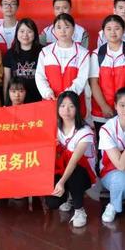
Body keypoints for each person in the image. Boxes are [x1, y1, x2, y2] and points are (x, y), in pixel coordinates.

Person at [46, 91, 96, 228]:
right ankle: (68, 196)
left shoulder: (85, 131)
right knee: (52, 202)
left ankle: (79, 209)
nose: (66, 110)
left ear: (77, 109)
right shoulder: (54, 127)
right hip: (61, 169)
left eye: (71, 106)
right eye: (62, 106)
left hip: (82, 173)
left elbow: (74, 162)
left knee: (75, 173)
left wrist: (61, 182)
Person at [90, 15, 125, 132]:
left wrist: (123, 107)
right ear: (103, 32)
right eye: (108, 29)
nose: (113, 32)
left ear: (123, 30)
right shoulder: (97, 54)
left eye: (117, 28)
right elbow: (93, 83)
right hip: (101, 111)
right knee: (103, 141)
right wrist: (103, 106)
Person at [99, 87, 125, 223]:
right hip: (112, 172)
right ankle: (113, 205)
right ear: (115, 106)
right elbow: (121, 166)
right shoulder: (107, 129)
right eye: (122, 105)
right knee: (124, 180)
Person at [35, 14, 91, 110]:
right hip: (50, 102)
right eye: (59, 27)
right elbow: (40, 76)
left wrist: (67, 95)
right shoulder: (45, 52)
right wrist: (47, 92)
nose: (63, 31)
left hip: (73, 103)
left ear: (74, 29)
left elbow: (82, 79)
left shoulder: (83, 53)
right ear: (54, 30)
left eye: (67, 27)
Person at [3, 18, 43, 105]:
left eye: (29, 31)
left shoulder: (43, 52)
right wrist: (6, 102)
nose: (25, 35)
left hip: (38, 100)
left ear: (35, 34)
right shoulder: (10, 54)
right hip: (17, 102)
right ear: (16, 33)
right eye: (22, 31)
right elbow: (7, 79)